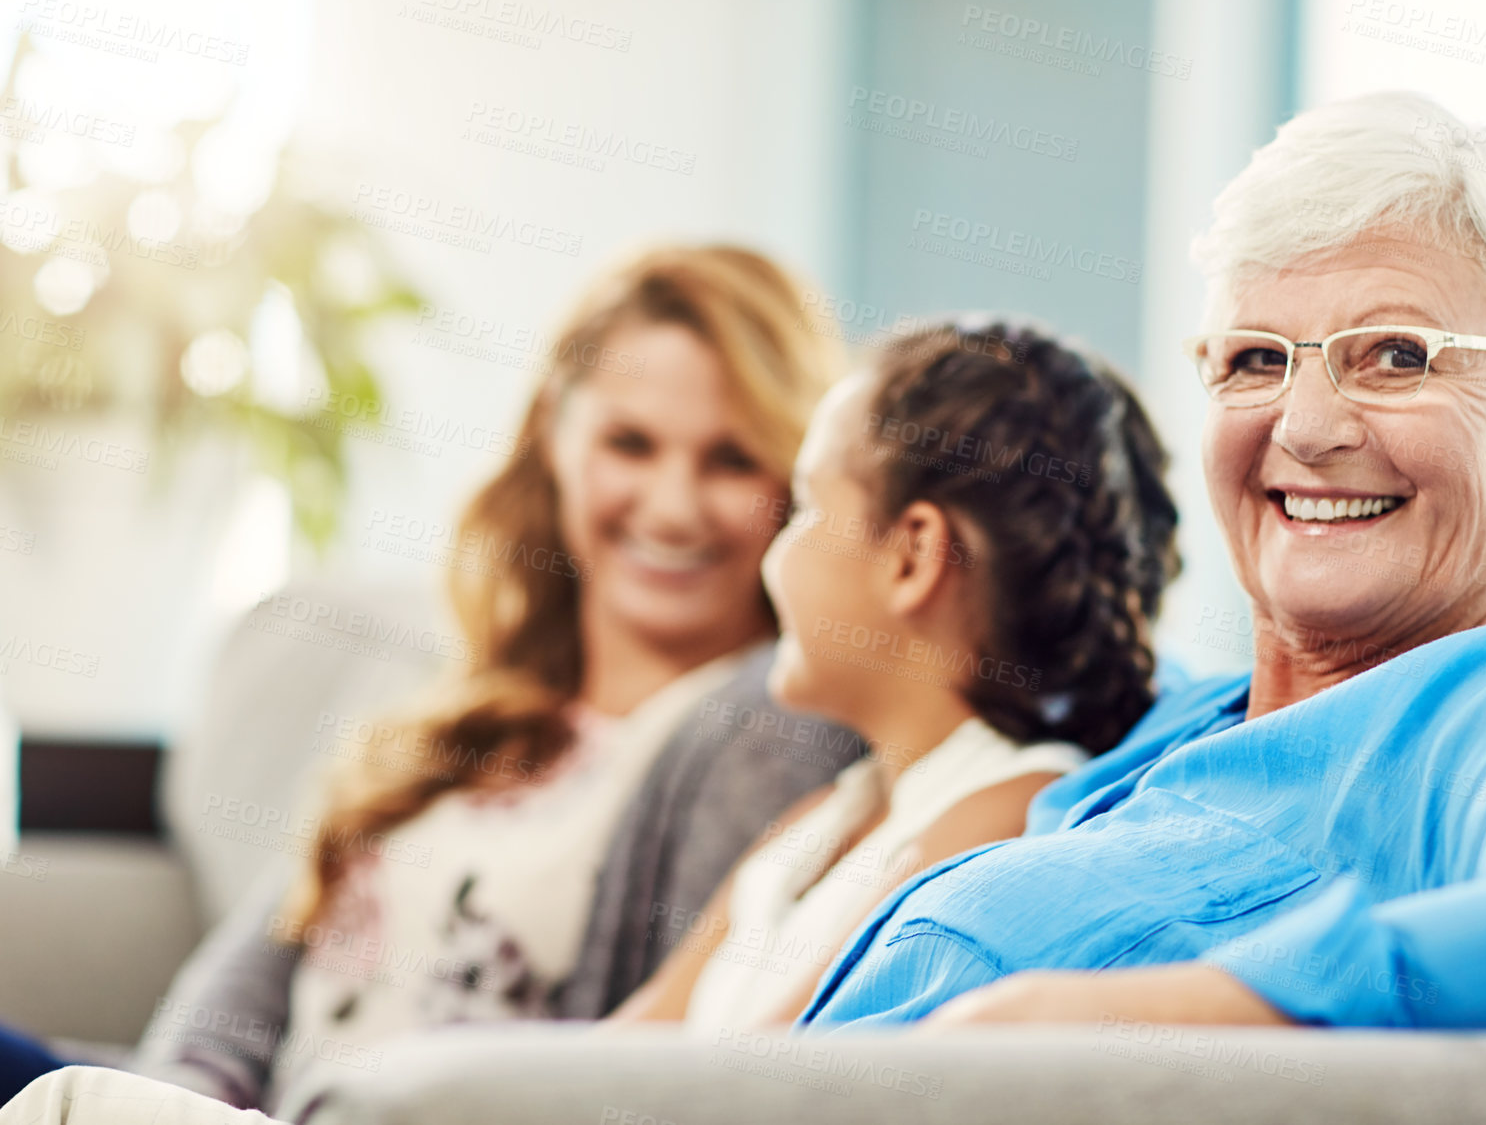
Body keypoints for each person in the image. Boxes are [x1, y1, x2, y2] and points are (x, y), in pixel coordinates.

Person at [797, 92, 1486, 1032]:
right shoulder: (1182, 727)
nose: (1309, 428)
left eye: (1398, 356)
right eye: (1255, 361)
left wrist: (1144, 1027)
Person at [0, 244, 864, 1111]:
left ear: (797, 483)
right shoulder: (474, 701)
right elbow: (246, 991)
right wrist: (170, 1104)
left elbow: (651, 1072)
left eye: (732, 460)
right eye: (630, 443)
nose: (673, 506)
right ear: (555, 433)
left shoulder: (765, 731)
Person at [606, 319, 1180, 1030]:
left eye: (809, 507)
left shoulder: (1003, 817)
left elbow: (747, 1093)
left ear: (912, 556)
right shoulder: (827, 816)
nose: (773, 558)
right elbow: (621, 1053)